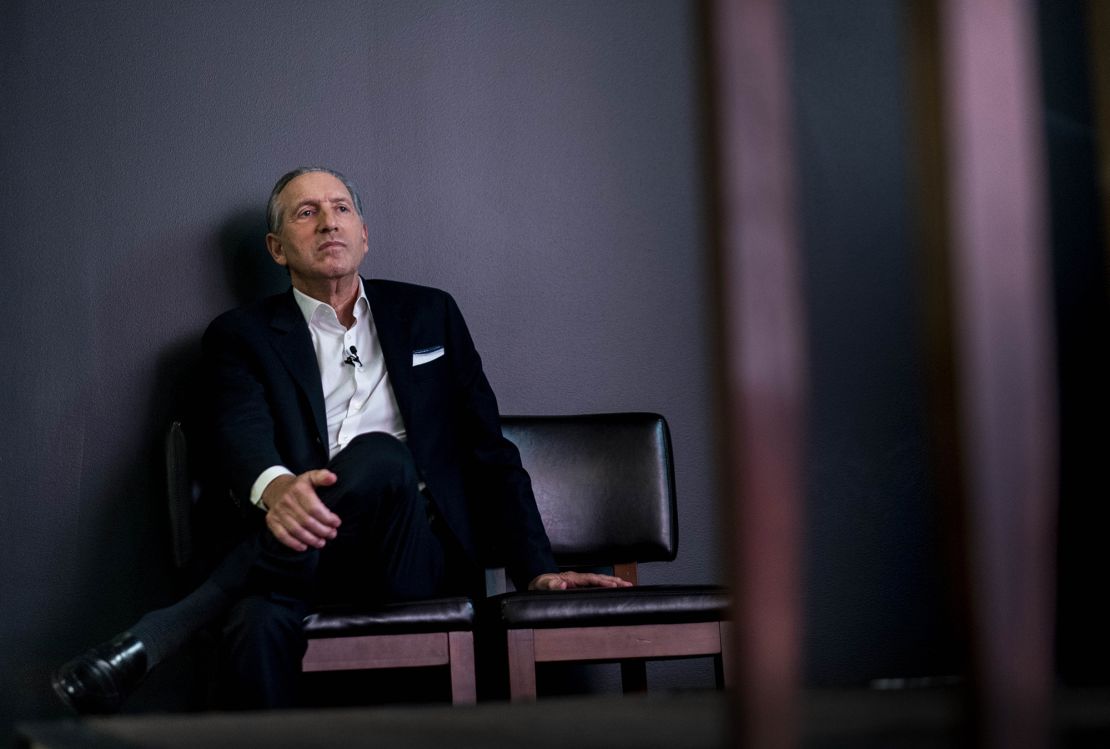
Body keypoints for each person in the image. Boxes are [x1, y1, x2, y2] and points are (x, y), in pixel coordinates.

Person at [52, 166, 630, 713]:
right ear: (278, 249)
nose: (328, 221)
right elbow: (238, 433)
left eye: (340, 208)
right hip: (301, 552)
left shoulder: (430, 313)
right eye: (306, 212)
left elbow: (489, 452)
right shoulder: (241, 336)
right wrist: (279, 491)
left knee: (382, 454)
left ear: (363, 234)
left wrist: (535, 569)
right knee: (252, 624)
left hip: (410, 550)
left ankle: (167, 628)